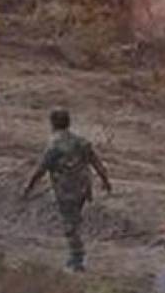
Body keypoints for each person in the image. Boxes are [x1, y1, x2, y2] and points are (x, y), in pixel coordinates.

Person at [22, 109, 112, 272]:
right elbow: (97, 162)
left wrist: (29, 187)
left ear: (52, 123)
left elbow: (40, 169)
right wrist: (105, 181)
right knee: (74, 220)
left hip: (66, 189)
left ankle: (76, 260)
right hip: (84, 187)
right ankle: (77, 253)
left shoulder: (54, 145)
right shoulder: (81, 141)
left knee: (69, 224)